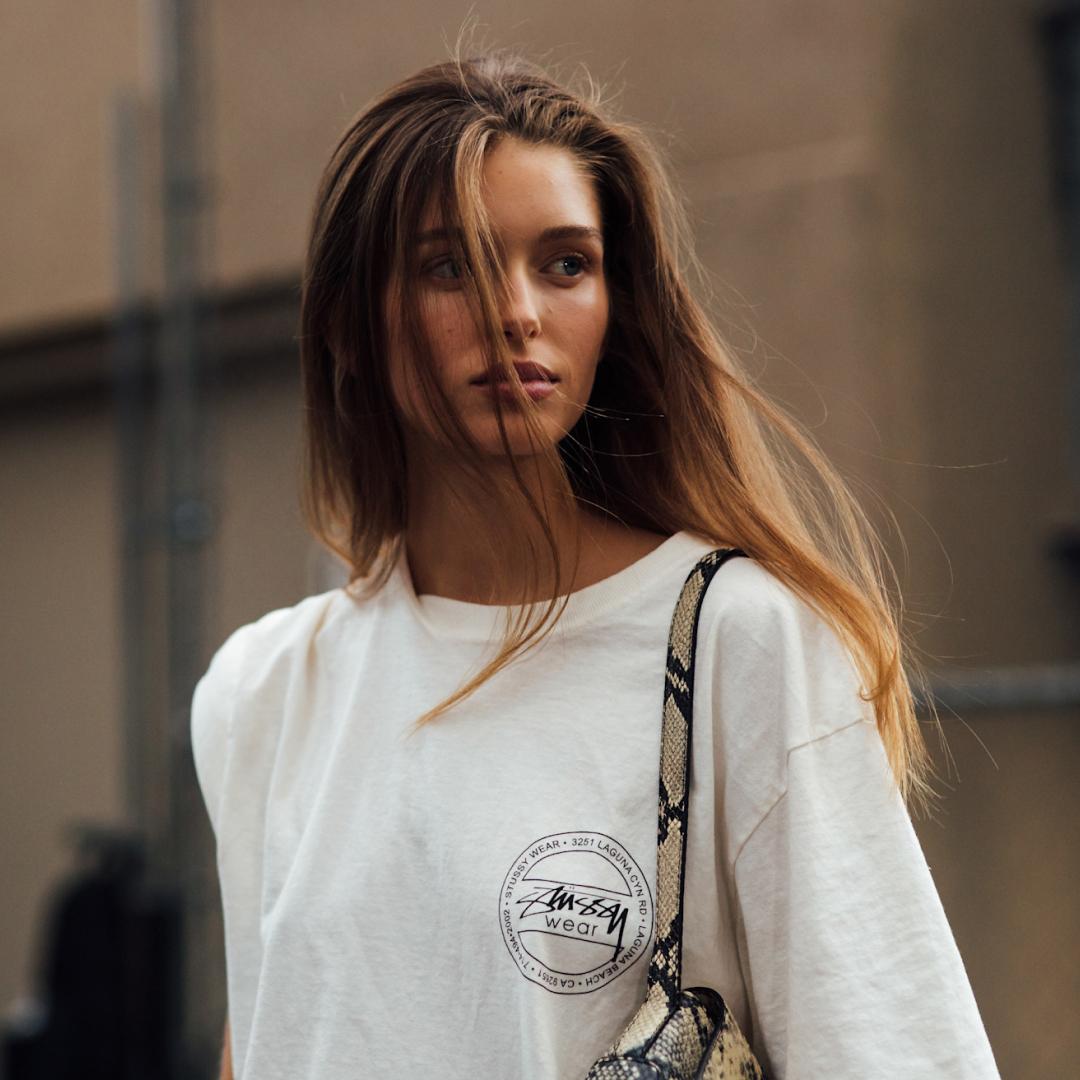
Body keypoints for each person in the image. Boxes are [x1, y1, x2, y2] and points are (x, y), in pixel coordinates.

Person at [192, 53, 1000, 1080]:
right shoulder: (261, 695)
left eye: (565, 263)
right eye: (452, 265)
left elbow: (895, 1047)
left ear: (615, 306)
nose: (515, 311)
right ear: (351, 320)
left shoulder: (734, 640)